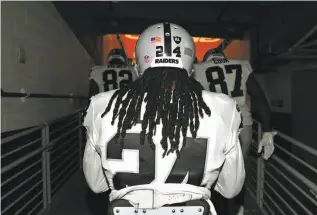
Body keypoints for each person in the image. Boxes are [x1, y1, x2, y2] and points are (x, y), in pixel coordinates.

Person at [83, 22, 245, 215]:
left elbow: (96, 185)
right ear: (191, 66)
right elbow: (230, 189)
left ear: (138, 66)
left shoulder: (101, 105)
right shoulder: (224, 107)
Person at [193, 48, 276, 215]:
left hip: (214, 123)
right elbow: (259, 97)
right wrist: (267, 130)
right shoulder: (242, 65)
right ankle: (237, 208)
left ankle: (214, 208)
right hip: (242, 124)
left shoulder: (198, 68)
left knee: (211, 171)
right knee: (238, 172)